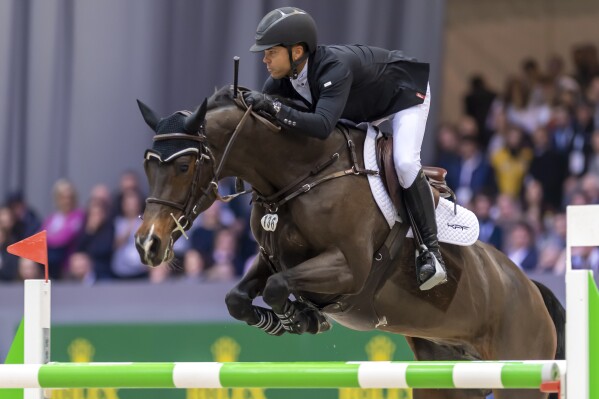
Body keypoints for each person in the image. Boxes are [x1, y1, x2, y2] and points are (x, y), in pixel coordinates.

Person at [243, 7, 444, 290]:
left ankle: (431, 253)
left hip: (404, 95)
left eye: (270, 52)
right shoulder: (281, 80)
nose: (264, 59)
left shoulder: (332, 69)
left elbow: (323, 125)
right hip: (363, 107)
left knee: (405, 163)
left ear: (297, 51)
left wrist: (274, 107)